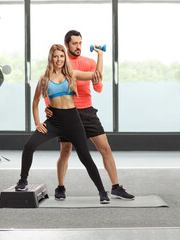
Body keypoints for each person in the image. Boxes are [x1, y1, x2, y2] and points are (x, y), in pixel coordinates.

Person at [15, 43, 110, 204]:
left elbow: (97, 75)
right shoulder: (44, 78)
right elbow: (35, 101)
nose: (58, 59)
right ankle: (23, 180)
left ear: (64, 58)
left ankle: (102, 191)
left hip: (73, 120)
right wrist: (38, 122)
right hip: (54, 121)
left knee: (85, 156)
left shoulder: (71, 74)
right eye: (55, 56)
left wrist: (100, 55)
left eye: (61, 56)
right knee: (29, 146)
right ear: (50, 58)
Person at [45, 30, 134, 201]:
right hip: (67, 112)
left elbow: (98, 86)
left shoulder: (88, 62)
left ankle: (115, 187)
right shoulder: (60, 64)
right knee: (65, 150)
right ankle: (61, 187)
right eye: (74, 43)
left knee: (105, 149)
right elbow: (48, 87)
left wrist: (100, 57)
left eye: (80, 43)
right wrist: (49, 108)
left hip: (87, 111)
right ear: (66, 45)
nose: (78, 46)